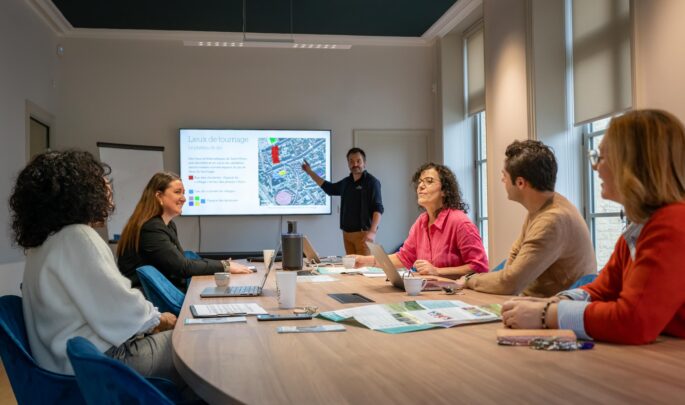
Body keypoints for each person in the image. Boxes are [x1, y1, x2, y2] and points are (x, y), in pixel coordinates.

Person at [501, 109, 685, 344]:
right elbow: (601, 290)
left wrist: (548, 314)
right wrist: (553, 303)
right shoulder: (639, 229)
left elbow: (633, 321)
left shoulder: (672, 224)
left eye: (602, 157)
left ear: (631, 165)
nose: (596, 167)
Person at [10, 150, 186, 387]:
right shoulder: (78, 236)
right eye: (100, 181)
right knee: (193, 341)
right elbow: (123, 309)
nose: (108, 187)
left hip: (62, 367)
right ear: (81, 191)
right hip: (100, 364)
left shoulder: (41, 244)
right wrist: (159, 318)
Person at [458, 140, 595, 297]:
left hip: (550, 306)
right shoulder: (541, 207)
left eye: (504, 176)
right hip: (531, 300)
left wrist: (470, 280)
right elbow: (515, 255)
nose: (502, 180)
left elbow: (510, 283)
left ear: (520, 183)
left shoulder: (553, 219)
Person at [117, 172, 251, 290]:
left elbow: (181, 262)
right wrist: (224, 266)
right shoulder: (151, 228)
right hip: (147, 299)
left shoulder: (168, 225)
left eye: (183, 193)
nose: (184, 198)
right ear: (159, 196)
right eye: (177, 192)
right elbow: (182, 267)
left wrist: (221, 265)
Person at [355, 163, 488, 278]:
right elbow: (403, 258)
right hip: (431, 291)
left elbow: (480, 267)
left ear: (444, 191)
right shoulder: (421, 222)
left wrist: (437, 271)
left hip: (458, 293)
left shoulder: (460, 222)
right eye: (420, 182)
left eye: (429, 181)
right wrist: (364, 260)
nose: (421, 186)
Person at [302, 147, 383, 255]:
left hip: (363, 234)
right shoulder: (346, 182)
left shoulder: (372, 182)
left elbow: (378, 208)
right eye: (351, 161)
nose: (355, 164)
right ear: (348, 164)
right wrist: (309, 172)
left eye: (358, 161)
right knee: (351, 265)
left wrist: (372, 231)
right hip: (347, 235)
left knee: (364, 265)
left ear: (364, 163)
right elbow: (329, 188)